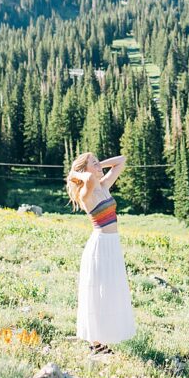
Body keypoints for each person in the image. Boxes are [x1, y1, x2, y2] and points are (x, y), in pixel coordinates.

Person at [66, 152, 136, 355]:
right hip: (100, 245)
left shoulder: (103, 186)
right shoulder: (86, 192)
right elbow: (87, 179)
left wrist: (98, 165)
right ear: (84, 170)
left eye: (98, 163)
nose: (98, 167)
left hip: (112, 244)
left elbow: (122, 161)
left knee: (112, 290)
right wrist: (76, 173)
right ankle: (95, 343)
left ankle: (102, 339)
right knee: (97, 292)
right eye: (93, 163)